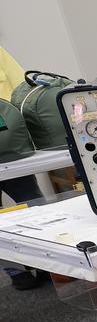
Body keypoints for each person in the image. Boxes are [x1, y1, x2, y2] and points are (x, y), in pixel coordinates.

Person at [0, 42, 48, 290]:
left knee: (32, 203)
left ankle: (47, 262)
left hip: (9, 144)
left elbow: (21, 87)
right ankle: (15, 270)